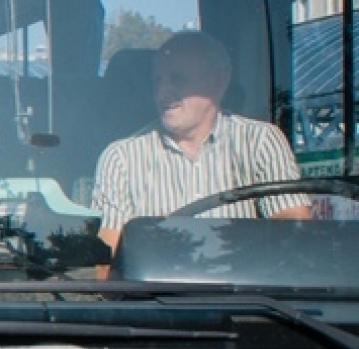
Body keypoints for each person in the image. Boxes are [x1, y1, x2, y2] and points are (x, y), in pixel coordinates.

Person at [92, 30, 311, 255]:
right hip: (155, 289)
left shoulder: (260, 141)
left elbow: (293, 232)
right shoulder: (121, 158)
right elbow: (107, 259)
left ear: (218, 81)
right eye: (157, 81)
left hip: (241, 287)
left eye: (177, 79)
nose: (162, 92)